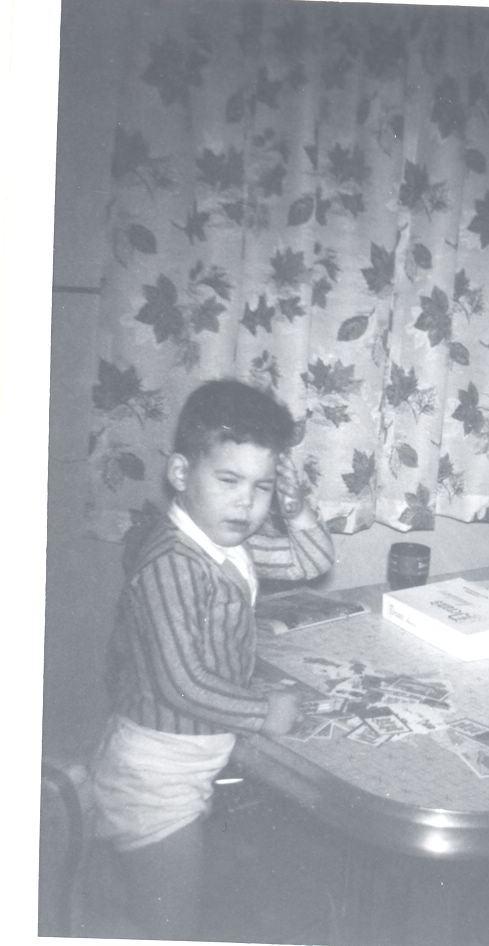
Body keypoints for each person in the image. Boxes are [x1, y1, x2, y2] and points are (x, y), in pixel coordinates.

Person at [88, 379, 335, 939]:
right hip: (155, 776)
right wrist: (264, 712)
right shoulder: (172, 564)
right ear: (181, 474)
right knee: (171, 923)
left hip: (193, 760)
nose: (246, 502)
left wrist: (295, 509)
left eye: (262, 487)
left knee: (177, 901)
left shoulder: (228, 541)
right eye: (229, 480)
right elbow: (182, 683)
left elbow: (311, 562)